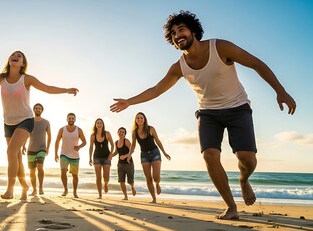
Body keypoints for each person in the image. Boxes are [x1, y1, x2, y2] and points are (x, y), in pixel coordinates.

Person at [110, 11, 296, 219]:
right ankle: (231, 207)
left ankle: (243, 180)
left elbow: (255, 63)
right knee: (209, 155)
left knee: (247, 159)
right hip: (208, 113)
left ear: (193, 31)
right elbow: (156, 89)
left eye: (181, 29)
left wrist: (280, 90)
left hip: (238, 108)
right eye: (173, 33)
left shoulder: (220, 47)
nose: (177, 35)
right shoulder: (178, 67)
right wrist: (129, 101)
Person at [0, 50, 78, 200]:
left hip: (25, 120)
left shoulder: (27, 79)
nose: (15, 57)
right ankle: (24, 186)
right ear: (9, 60)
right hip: (8, 123)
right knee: (16, 157)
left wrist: (66, 90)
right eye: (13, 55)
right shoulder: (2, 78)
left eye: (19, 56)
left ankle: (10, 190)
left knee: (11, 152)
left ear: (23, 63)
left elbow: (47, 88)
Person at [128, 112, 171, 203]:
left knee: (156, 177)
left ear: (144, 119)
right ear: (135, 120)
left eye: (141, 118)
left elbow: (158, 141)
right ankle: (154, 199)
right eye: (138, 118)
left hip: (155, 153)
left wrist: (164, 152)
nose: (139, 119)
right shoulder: (134, 132)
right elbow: (133, 146)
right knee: (148, 178)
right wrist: (129, 155)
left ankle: (157, 184)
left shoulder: (150, 129)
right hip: (144, 155)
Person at [54, 113, 87, 198]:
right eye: (69, 118)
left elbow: (84, 142)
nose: (71, 119)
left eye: (72, 118)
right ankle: (65, 189)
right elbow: (57, 141)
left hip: (75, 156)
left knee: (75, 175)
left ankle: (75, 192)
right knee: (63, 172)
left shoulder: (79, 130)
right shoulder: (62, 129)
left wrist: (79, 146)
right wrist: (55, 154)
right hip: (64, 154)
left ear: (75, 120)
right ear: (67, 119)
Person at [22, 103, 51, 196]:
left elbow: (49, 135)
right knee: (32, 171)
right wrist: (23, 146)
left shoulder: (46, 122)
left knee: (39, 166)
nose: (38, 109)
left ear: (42, 110)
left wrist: (48, 147)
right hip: (31, 149)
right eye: (36, 108)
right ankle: (34, 190)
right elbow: (26, 134)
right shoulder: (30, 122)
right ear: (34, 110)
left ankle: (41, 187)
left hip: (42, 148)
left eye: (39, 108)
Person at [88, 118, 114, 199]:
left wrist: (111, 154)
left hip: (107, 157)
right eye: (97, 123)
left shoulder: (107, 133)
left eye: (100, 123)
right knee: (98, 177)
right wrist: (90, 158)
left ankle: (105, 184)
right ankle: (100, 194)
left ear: (103, 125)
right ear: (95, 125)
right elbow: (91, 147)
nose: (99, 124)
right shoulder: (93, 135)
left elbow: (113, 145)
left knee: (106, 177)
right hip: (97, 157)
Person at [112, 127, 136, 200]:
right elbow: (116, 151)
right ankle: (125, 196)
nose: (121, 133)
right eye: (120, 131)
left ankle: (132, 187)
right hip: (120, 164)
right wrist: (110, 155)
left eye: (123, 132)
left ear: (125, 134)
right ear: (117, 133)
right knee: (121, 181)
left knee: (130, 180)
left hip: (129, 163)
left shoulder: (127, 141)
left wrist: (125, 156)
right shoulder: (116, 142)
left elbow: (132, 150)